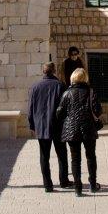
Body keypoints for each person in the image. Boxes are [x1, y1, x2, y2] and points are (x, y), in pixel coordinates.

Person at [56, 67, 102, 196]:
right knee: (91, 157)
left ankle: (78, 188)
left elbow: (59, 112)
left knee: (75, 159)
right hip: (88, 128)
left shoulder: (67, 93)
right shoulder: (91, 92)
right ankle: (93, 185)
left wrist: (67, 118)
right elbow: (98, 110)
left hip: (72, 129)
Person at [28, 62, 70, 191]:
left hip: (41, 127)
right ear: (54, 71)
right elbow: (65, 107)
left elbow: (31, 108)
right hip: (58, 125)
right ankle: (63, 181)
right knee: (62, 154)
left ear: (43, 71)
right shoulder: (60, 86)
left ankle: (47, 185)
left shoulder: (35, 87)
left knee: (44, 156)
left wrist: (32, 125)